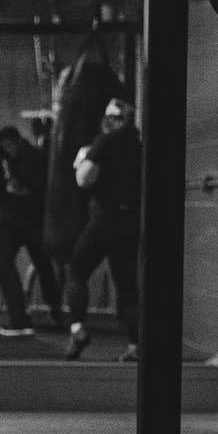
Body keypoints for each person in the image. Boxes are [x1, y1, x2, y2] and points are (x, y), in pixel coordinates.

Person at [62, 98, 141, 361]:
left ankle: (78, 329)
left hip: (104, 219)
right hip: (131, 221)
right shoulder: (138, 145)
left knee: (76, 269)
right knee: (127, 286)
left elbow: (84, 179)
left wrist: (84, 159)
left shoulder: (105, 141)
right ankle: (136, 346)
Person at [0, 124, 63, 336]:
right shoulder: (15, 158)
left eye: (9, 146)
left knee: (34, 265)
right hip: (24, 220)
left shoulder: (25, 158)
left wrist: (21, 189)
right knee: (35, 266)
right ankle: (52, 310)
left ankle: (39, 310)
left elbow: (37, 186)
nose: (8, 149)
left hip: (24, 220)